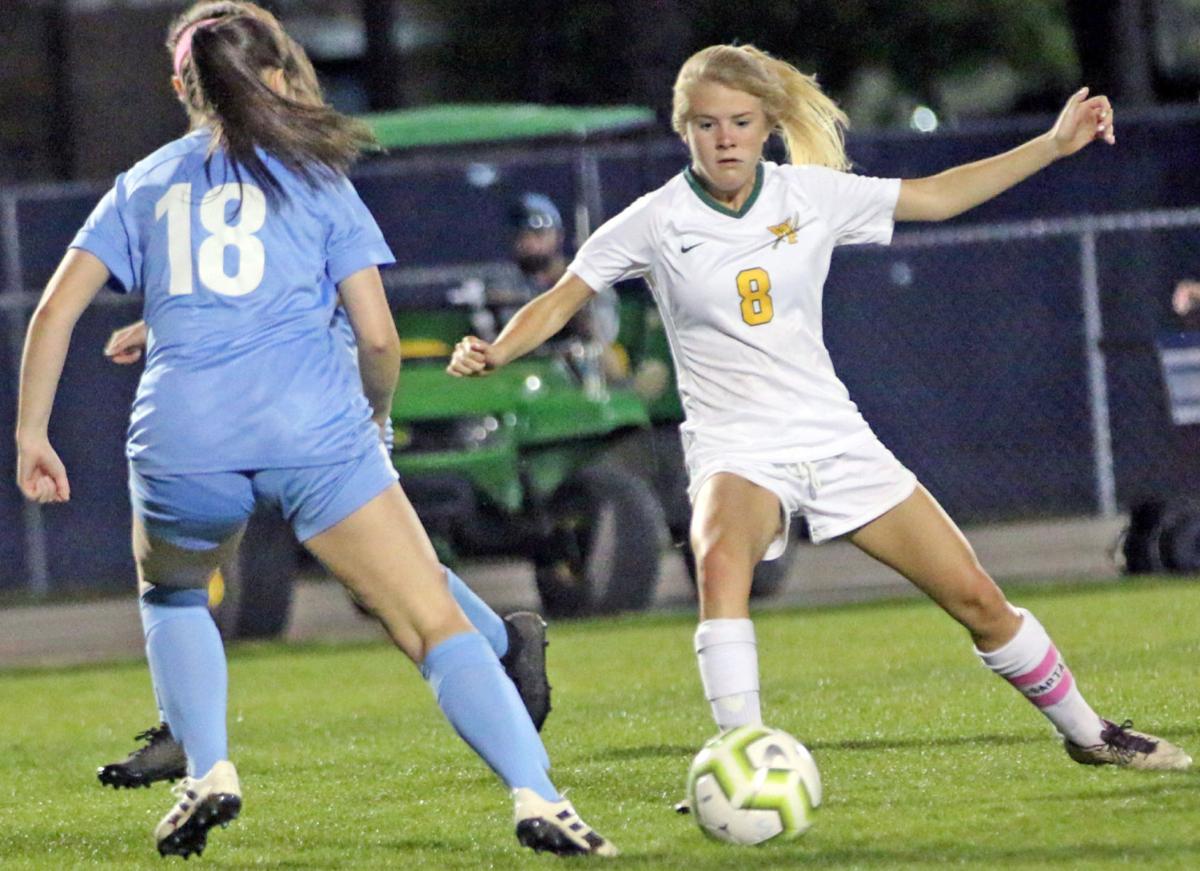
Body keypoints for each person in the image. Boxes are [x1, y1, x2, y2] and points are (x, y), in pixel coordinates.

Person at [449, 43, 1191, 779]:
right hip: (735, 445)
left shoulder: (809, 195)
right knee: (719, 561)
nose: (725, 138)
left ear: (767, 124)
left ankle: (1090, 732)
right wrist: (499, 349)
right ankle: (740, 758)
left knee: (977, 598)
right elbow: (563, 298)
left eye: (741, 121)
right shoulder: (655, 218)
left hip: (832, 436)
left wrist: (1052, 145)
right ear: (685, 130)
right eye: (707, 124)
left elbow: (939, 196)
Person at [14, 4, 614, 859]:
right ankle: (539, 794)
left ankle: (209, 768)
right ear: (275, 73)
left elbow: (54, 311)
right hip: (313, 434)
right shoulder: (316, 175)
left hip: (184, 440)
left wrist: (32, 434)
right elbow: (377, 337)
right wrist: (376, 418)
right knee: (429, 623)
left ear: (182, 88)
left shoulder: (144, 182)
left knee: (175, 596)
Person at [92, 7, 551, 786]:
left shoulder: (297, 157)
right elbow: (244, 273)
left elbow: (336, 300)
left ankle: (509, 661)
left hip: (317, 390)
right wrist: (166, 317)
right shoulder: (238, 157)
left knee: (386, 582)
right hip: (279, 389)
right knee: (369, 578)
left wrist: (373, 409)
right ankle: (188, 728)